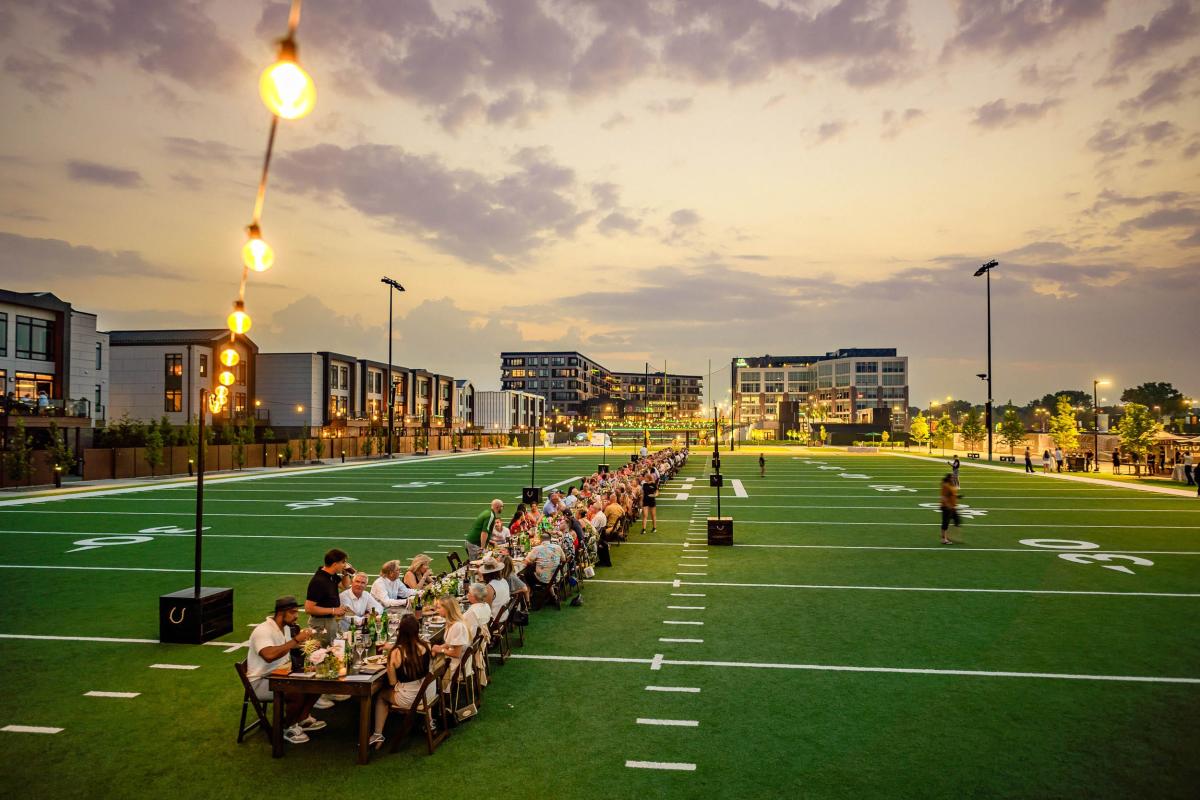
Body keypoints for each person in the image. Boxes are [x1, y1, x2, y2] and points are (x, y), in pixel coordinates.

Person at [246, 596, 324, 744]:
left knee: (320, 678)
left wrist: (309, 645)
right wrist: (296, 640)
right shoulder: (263, 630)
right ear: (282, 613)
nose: (297, 616)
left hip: (282, 675)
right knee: (296, 691)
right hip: (261, 681)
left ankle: (301, 718)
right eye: (294, 612)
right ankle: (286, 727)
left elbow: (287, 648)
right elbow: (269, 655)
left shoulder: (286, 628)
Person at [369, 615, 433, 750]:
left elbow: (392, 682)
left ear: (400, 631)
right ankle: (430, 722)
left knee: (381, 696)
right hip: (428, 692)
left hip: (410, 698)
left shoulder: (396, 653)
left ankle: (378, 733)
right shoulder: (426, 645)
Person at [305, 548, 351, 642]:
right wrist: (334, 610)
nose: (345, 565)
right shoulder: (319, 581)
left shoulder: (331, 575)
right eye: (343, 562)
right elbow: (308, 608)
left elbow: (344, 586)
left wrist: (345, 573)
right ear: (335, 564)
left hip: (330, 621)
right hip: (321, 624)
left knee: (334, 650)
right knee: (325, 653)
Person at [430, 596, 471, 688]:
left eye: (439, 608)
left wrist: (441, 650)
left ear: (447, 609)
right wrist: (439, 647)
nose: (437, 610)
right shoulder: (452, 623)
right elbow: (450, 643)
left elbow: (456, 653)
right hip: (451, 661)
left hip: (455, 666)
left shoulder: (457, 626)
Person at [939, 474, 961, 545]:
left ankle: (950, 536)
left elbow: (952, 494)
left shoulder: (952, 485)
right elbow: (943, 497)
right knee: (945, 523)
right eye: (952, 478)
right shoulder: (946, 486)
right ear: (948, 478)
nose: (953, 479)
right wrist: (948, 505)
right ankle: (944, 539)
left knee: (957, 521)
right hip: (946, 507)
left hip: (952, 507)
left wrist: (958, 496)